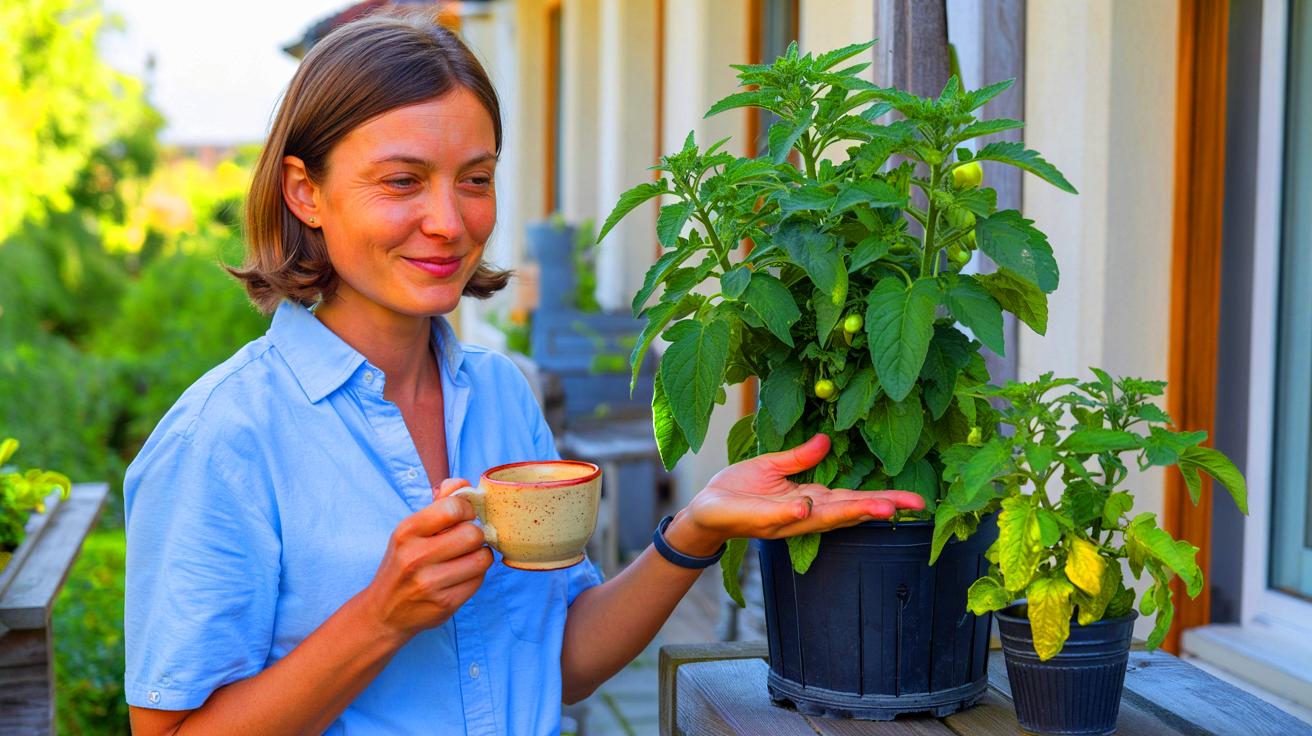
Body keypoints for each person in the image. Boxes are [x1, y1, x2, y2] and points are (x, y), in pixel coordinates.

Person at [122, 10, 924, 736]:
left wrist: (696, 530)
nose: (451, 221)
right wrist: (382, 617)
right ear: (306, 192)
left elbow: (558, 661)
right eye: (402, 181)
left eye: (476, 178)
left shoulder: (502, 395)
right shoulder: (222, 438)